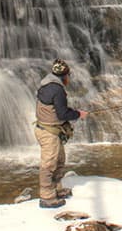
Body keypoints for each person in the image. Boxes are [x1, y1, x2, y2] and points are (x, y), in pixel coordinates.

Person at [34, 58, 88, 208]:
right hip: (48, 133)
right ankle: (47, 197)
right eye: (68, 76)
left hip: (51, 130)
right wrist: (78, 114)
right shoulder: (57, 90)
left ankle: (57, 189)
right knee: (49, 164)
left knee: (59, 161)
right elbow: (62, 113)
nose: (68, 79)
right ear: (64, 76)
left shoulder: (47, 83)